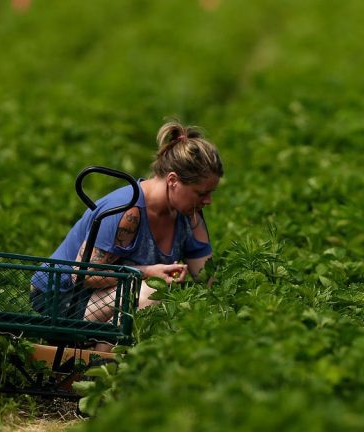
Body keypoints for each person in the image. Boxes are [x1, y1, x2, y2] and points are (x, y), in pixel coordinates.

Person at [30, 120, 223, 348]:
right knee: (152, 292)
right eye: (201, 193)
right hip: (61, 298)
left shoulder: (190, 217)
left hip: (102, 299)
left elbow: (207, 278)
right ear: (173, 181)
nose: (208, 201)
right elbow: (83, 274)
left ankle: (102, 363)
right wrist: (148, 272)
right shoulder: (127, 210)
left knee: (163, 301)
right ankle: (94, 370)